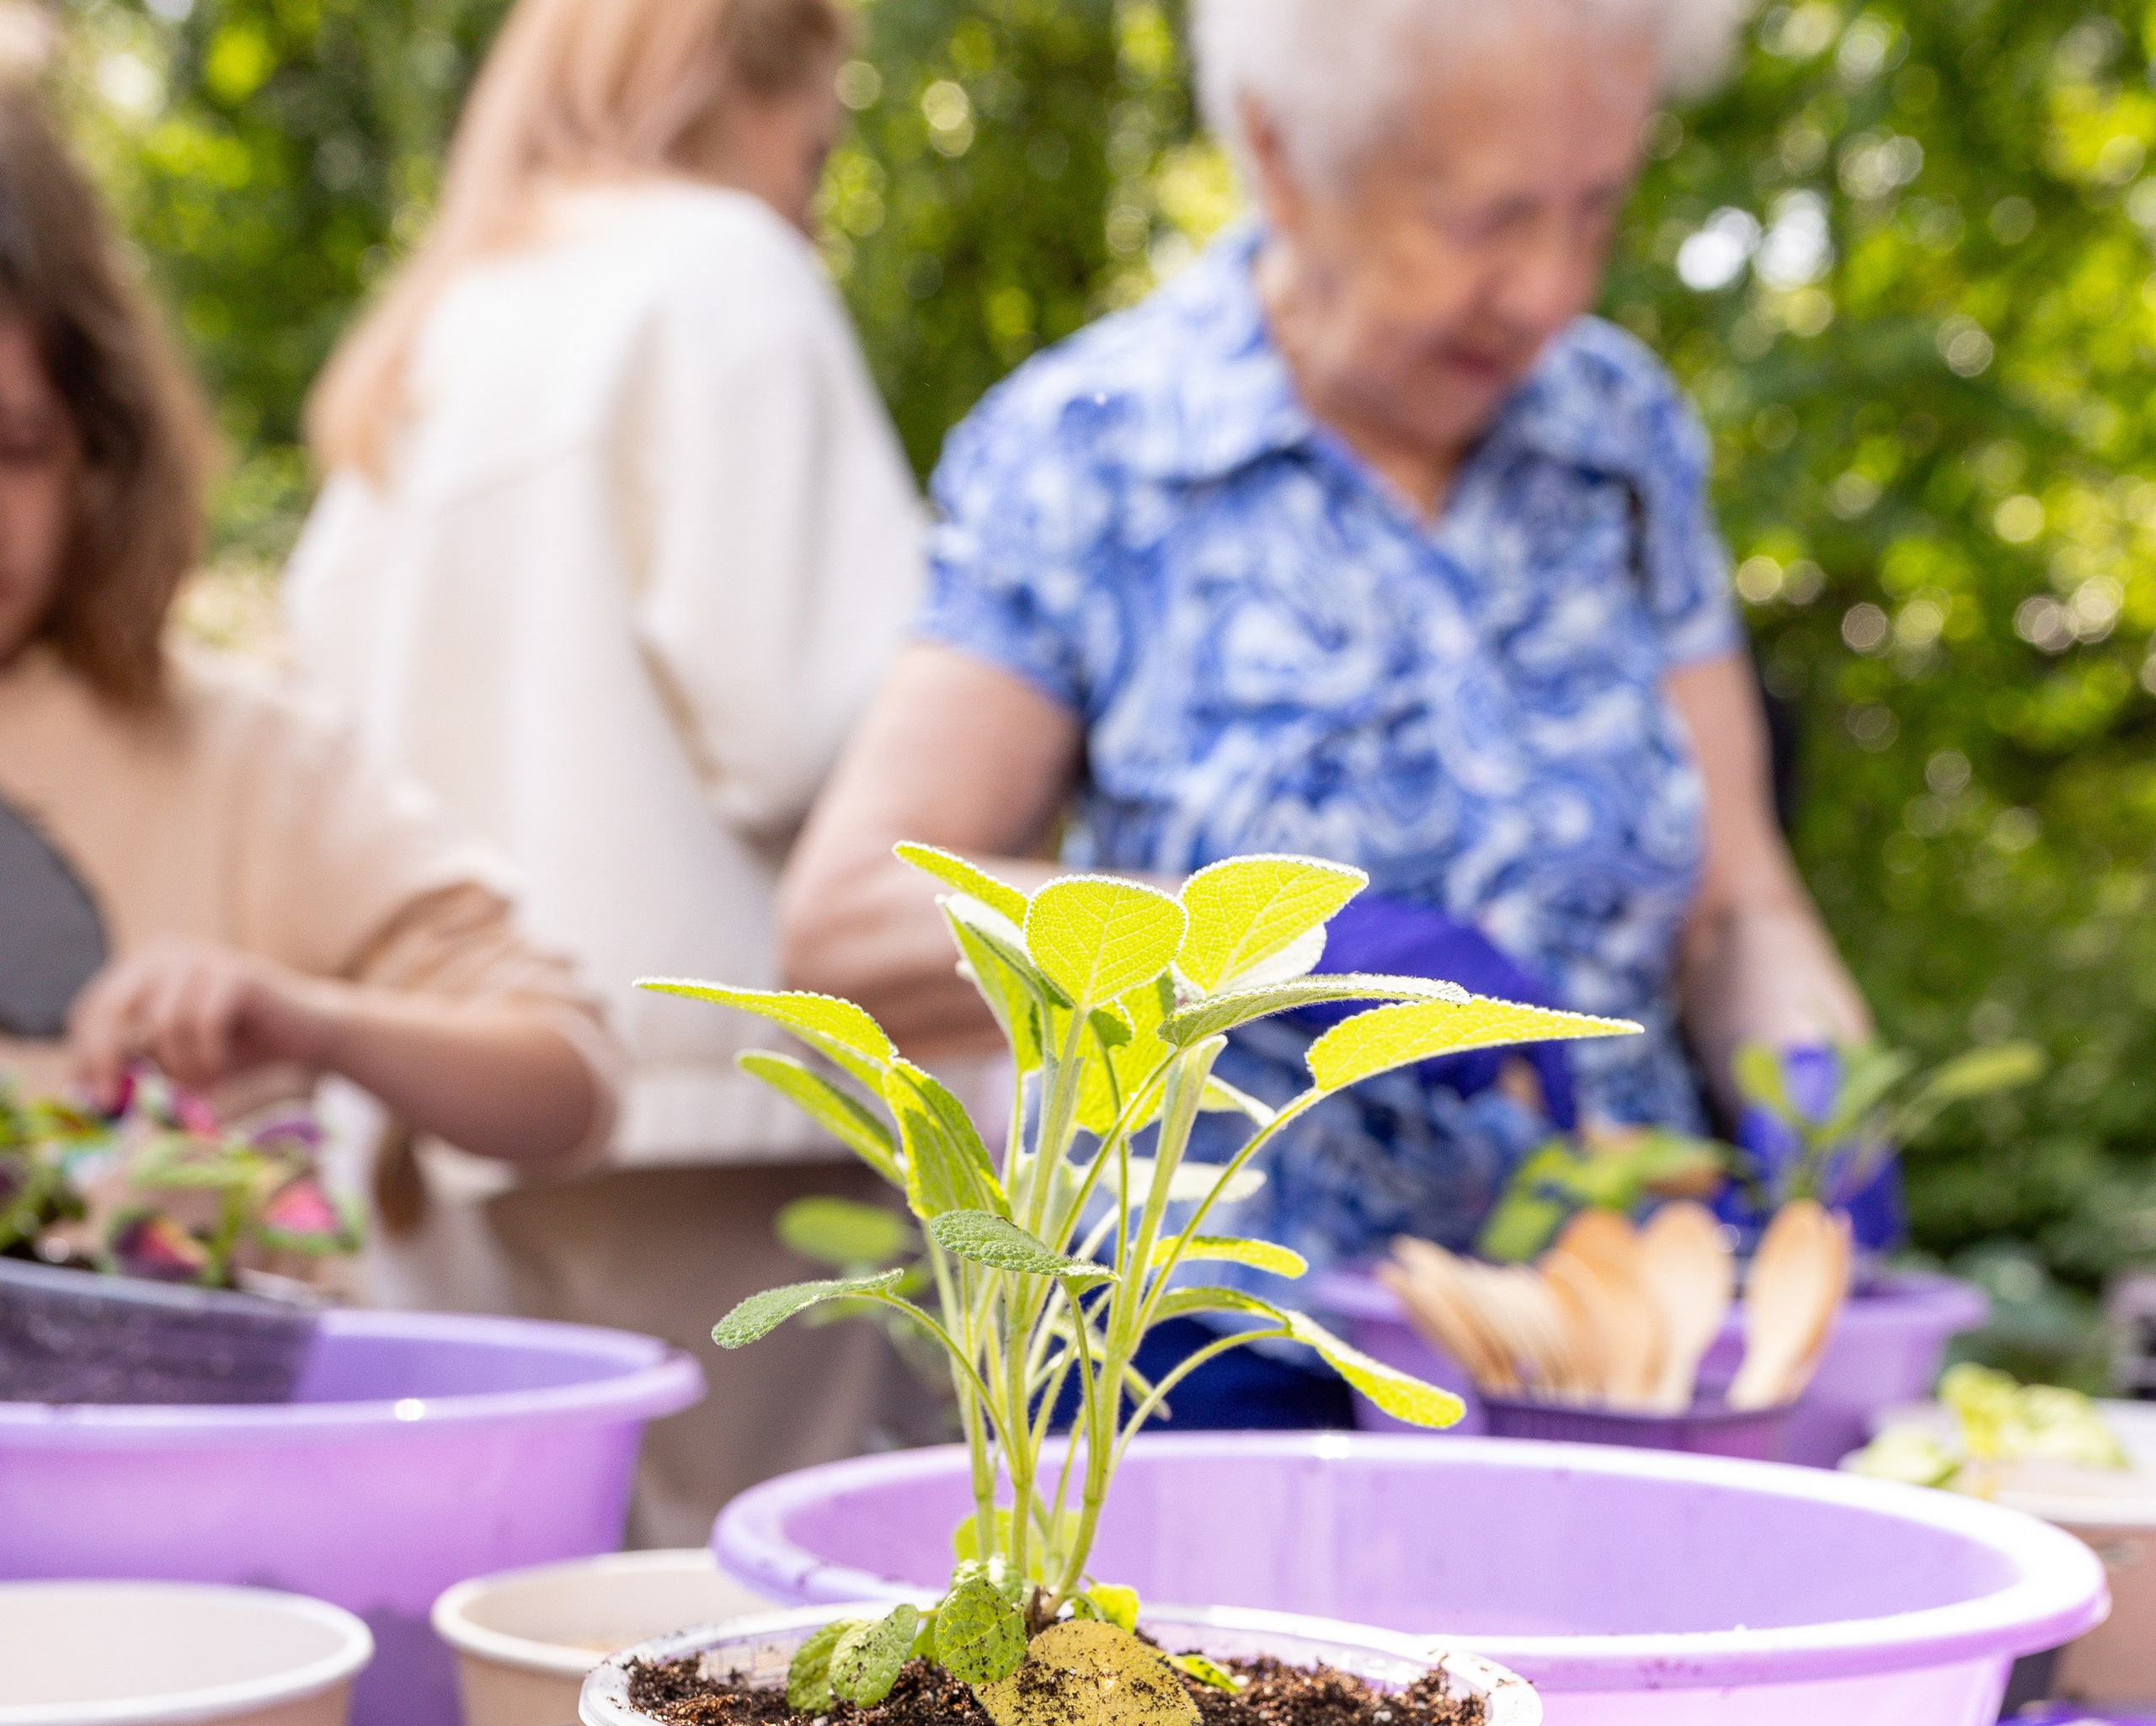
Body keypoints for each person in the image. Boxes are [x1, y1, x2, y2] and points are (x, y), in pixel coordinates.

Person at [781, 0, 1870, 1419]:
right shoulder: (1096, 451)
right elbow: (849, 928)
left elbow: (1737, 909)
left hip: (1606, 1351)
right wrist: (1279, 939)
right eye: (1480, 218)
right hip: (1213, 1364)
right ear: (1281, 158)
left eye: (1594, 208)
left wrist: (1822, 1098)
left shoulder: (1621, 438)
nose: (1544, 289)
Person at [291, 0, 925, 1539]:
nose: (806, 192)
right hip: (713, 1133)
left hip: (452, 1123)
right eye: (819, 144)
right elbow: (815, 729)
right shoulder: (722, 273)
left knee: (529, 1647)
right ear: (754, 85)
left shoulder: (446, 320)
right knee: (776, 1661)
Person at [0, 92, 616, 1200]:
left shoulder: (249, 762)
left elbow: (569, 1078)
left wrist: (310, 1020)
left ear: (100, 445)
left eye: (17, 448)